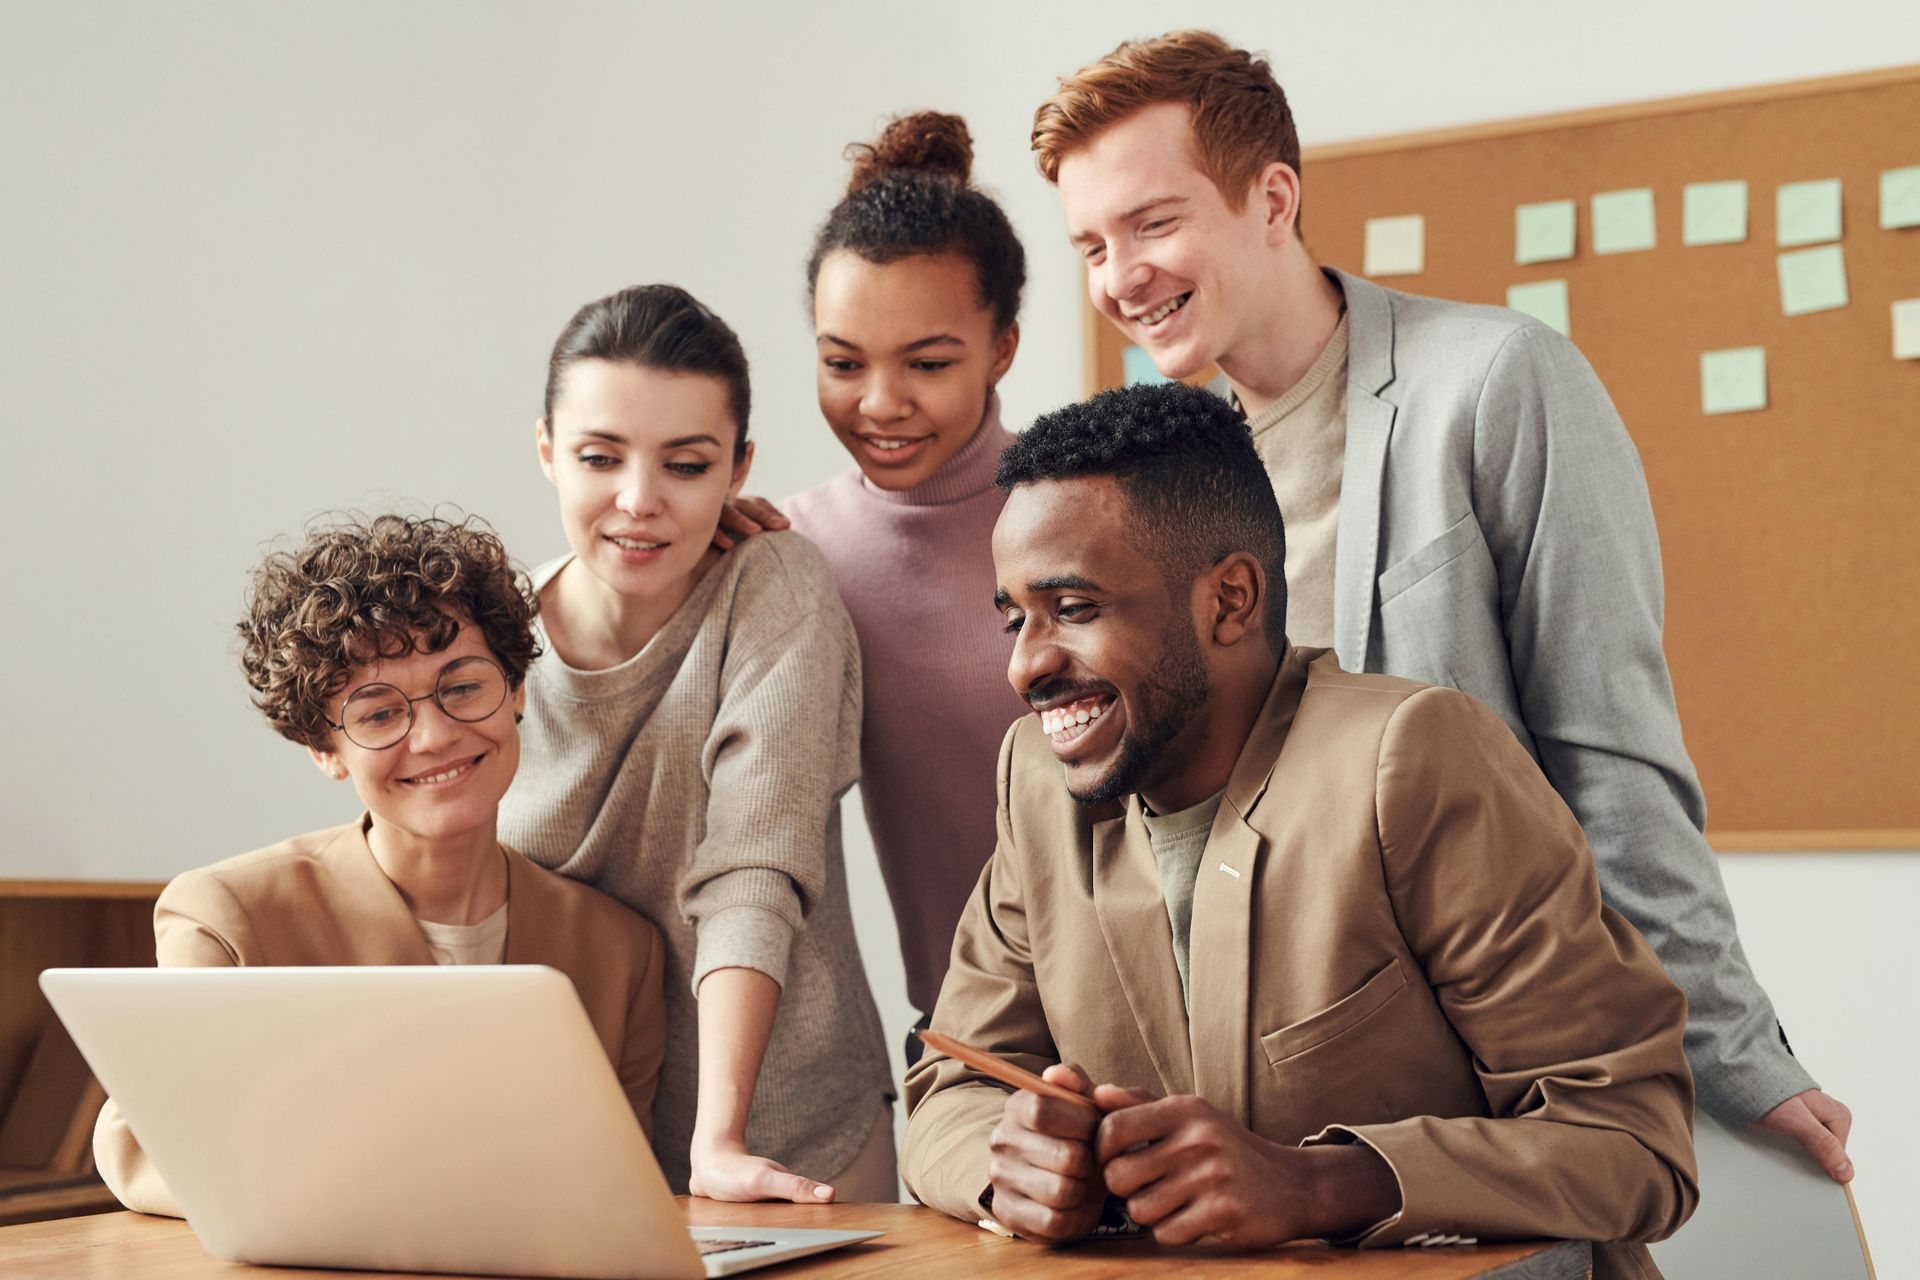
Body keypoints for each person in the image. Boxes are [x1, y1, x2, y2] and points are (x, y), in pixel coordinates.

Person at [1031, 29, 1851, 1180]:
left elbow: (1609, 754)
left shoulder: (1496, 383)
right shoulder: (1156, 479)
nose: (1119, 277)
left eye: (1154, 223)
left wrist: (1733, 1053)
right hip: (1251, 1107)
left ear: (1273, 198)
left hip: (1490, 1091)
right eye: (1090, 244)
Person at [903, 383, 1697, 1278]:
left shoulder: (1411, 761)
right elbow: (952, 1086)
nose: (1025, 666)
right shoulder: (1038, 785)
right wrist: (1010, 1169)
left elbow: (1635, 1143)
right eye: (1015, 618)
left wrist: (1319, 1185)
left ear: (1231, 600)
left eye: (1075, 610)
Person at [94, 514, 669, 1218]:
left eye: (463, 687)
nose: (433, 737)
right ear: (324, 750)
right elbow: (147, 1151)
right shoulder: (228, 919)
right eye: (376, 714)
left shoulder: (619, 951)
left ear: (518, 692)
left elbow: (618, 1194)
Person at [497, 284, 894, 1203]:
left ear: (737, 469)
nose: (639, 502)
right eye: (601, 457)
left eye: (685, 465)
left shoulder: (774, 589)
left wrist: (718, 1141)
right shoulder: (491, 635)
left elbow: (753, 865)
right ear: (549, 453)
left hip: (784, 1142)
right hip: (569, 1151)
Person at [767, 112, 1031, 1060]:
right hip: (967, 1041)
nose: (879, 403)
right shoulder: (792, 549)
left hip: (1170, 1019)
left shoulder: (1084, 510)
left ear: (1001, 347)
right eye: (843, 363)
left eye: (927, 363)